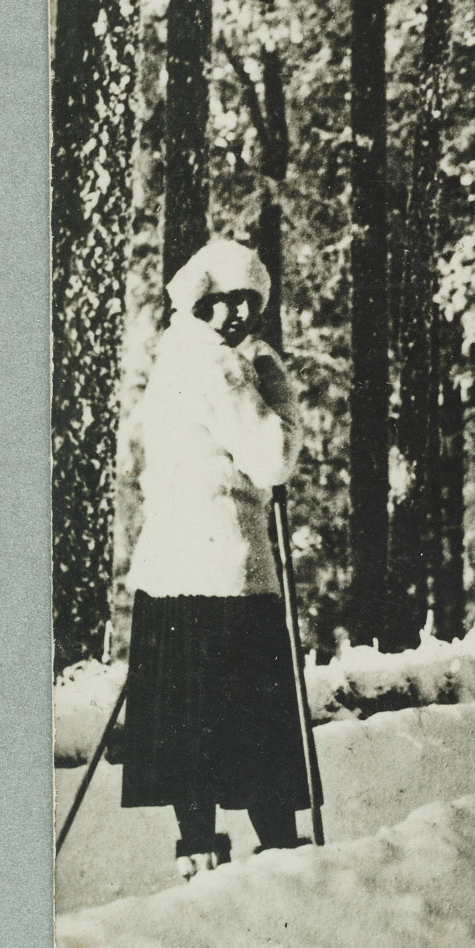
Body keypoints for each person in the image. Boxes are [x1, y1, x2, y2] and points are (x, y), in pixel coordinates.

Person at [120, 237, 318, 878]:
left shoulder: (170, 362)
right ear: (197, 304)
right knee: (250, 716)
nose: (234, 316)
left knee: (185, 716)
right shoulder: (226, 367)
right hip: (227, 567)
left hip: (170, 569)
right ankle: (281, 855)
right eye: (221, 303)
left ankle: (197, 851)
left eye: (245, 304)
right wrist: (279, 392)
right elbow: (272, 458)